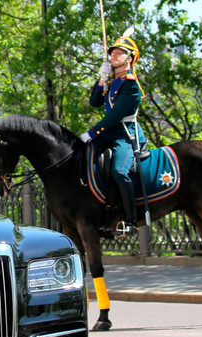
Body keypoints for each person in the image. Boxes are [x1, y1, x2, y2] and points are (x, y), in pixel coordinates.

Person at [79, 31, 147, 237]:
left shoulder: (131, 85)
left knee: (119, 170)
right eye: (113, 53)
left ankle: (130, 221)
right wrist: (102, 79)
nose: (114, 56)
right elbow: (94, 102)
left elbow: (116, 116)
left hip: (125, 135)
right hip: (109, 133)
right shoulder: (112, 82)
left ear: (130, 59)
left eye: (119, 53)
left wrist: (92, 132)